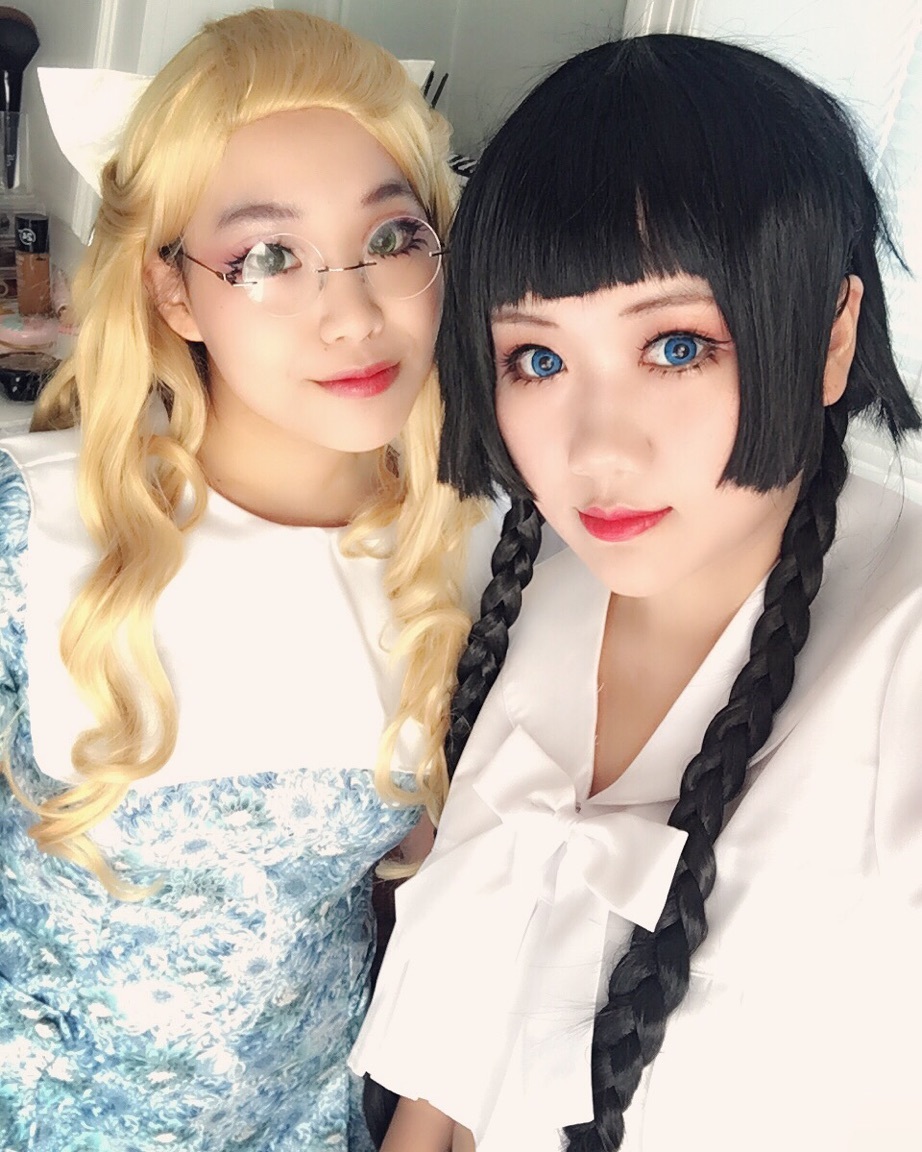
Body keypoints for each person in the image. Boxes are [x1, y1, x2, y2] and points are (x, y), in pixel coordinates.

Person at [350, 33, 922, 1152]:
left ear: (830, 334)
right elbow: (450, 1059)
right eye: (538, 360)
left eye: (674, 346)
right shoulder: (524, 593)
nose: (595, 450)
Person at [0, 8, 486, 1150]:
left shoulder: (474, 550)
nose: (351, 313)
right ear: (173, 292)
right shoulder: (30, 531)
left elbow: (478, 932)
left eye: (392, 237)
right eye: (268, 256)